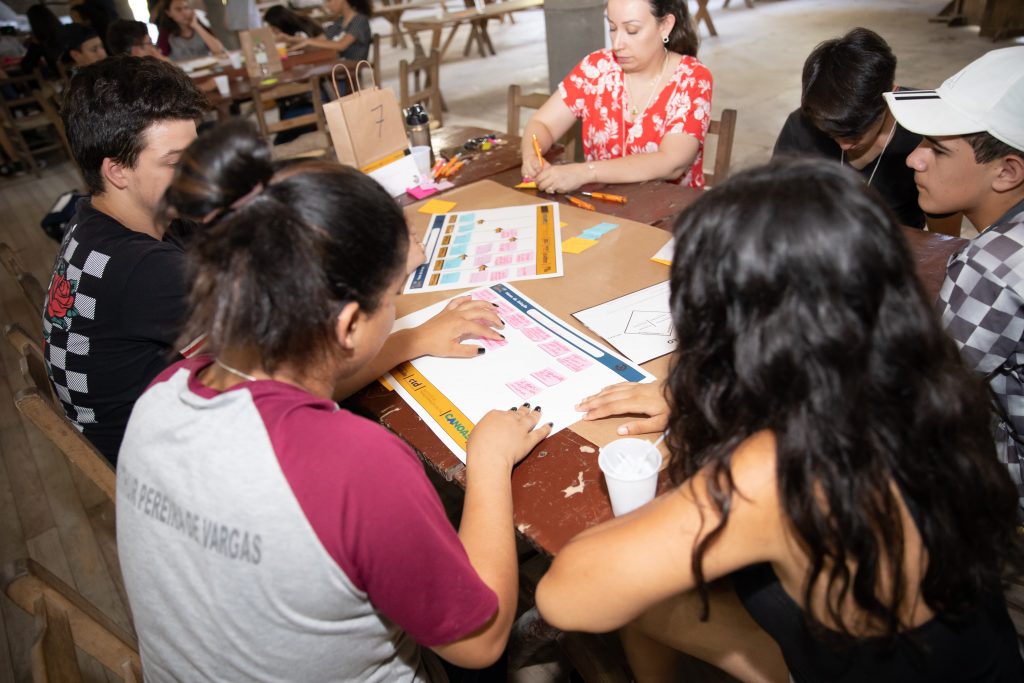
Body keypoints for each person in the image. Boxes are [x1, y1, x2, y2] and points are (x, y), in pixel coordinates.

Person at [538, 158, 1024, 682]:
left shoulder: (777, 469)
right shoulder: (922, 378)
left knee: (648, 599)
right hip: (963, 653)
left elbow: (566, 598)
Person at [116, 119, 551, 680]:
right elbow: (480, 641)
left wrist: (409, 340)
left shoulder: (164, 392)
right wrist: (488, 462)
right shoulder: (358, 466)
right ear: (347, 325)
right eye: (392, 297)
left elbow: (280, 401)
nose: (394, 309)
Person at [42, 56, 208, 465]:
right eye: (175, 162)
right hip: (166, 469)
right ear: (117, 171)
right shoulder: (143, 269)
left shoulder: (95, 220)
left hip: (147, 428)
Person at [885, 46, 1024, 514]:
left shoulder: (992, 265)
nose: (914, 160)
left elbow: (916, 396)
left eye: (937, 149)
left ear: (1007, 171)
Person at [519, 0, 711, 194]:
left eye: (632, 30)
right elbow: (542, 123)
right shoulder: (596, 68)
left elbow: (671, 163)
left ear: (665, 26)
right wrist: (531, 156)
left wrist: (585, 172)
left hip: (671, 213)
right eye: (612, 28)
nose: (617, 44)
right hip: (603, 207)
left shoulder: (692, 78)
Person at [773, 28, 925, 229]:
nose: (844, 145)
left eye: (856, 133)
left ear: (890, 95)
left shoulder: (924, 130)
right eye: (831, 133)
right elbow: (776, 206)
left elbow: (945, 228)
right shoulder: (802, 127)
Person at [291, 0, 371, 62]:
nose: (327, 5)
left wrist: (308, 41)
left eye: (329, 1)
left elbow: (341, 45)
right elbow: (320, 40)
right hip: (337, 64)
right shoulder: (340, 21)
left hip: (352, 69)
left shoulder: (360, 20)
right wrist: (290, 40)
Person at [155, 0, 226, 61]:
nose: (184, 13)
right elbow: (162, 58)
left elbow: (219, 50)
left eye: (186, 8)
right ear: (169, 13)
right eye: (178, 9)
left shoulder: (201, 25)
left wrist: (196, 26)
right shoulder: (166, 33)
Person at [21, 4, 65, 78]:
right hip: (78, 71)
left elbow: (27, 65)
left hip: (61, 77)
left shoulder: (40, 40)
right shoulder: (64, 31)